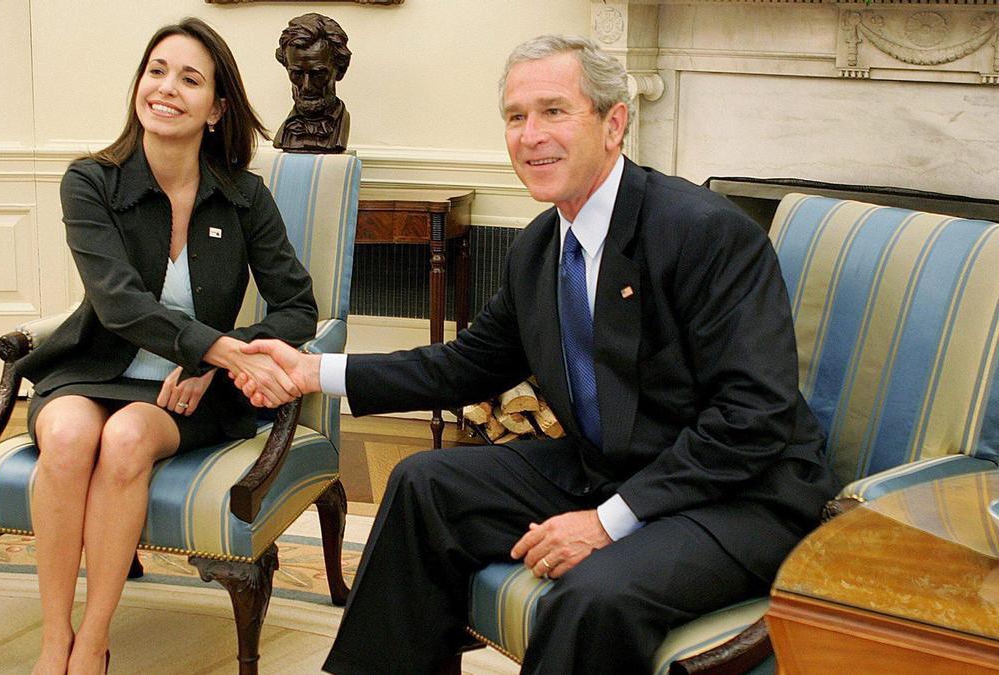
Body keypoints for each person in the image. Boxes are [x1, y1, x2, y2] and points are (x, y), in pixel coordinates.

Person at [237, 34, 839, 673]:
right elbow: (466, 365)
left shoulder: (707, 232)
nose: (530, 135)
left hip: (740, 495)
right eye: (516, 117)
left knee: (592, 597)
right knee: (425, 484)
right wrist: (312, 371)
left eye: (554, 111)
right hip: (610, 464)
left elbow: (754, 417)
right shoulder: (540, 248)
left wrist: (607, 523)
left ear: (614, 124)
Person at [14, 18, 313, 675]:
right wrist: (216, 348)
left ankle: (93, 641)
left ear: (217, 108)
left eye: (189, 78)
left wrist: (219, 356)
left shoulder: (244, 197)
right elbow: (119, 303)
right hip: (93, 368)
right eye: (156, 70)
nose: (166, 87)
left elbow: (298, 308)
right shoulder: (91, 181)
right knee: (65, 436)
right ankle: (53, 639)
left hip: (188, 393)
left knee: (125, 439)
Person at [273, 13, 352, 154]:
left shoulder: (340, 127)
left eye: (318, 74)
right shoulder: (285, 133)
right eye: (297, 74)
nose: (306, 86)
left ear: (340, 70)